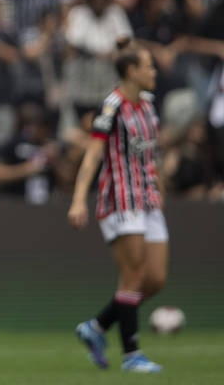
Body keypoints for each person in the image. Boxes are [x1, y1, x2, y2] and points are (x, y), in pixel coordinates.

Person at [67, 38, 167, 373]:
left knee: (154, 280)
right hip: (121, 200)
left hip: (148, 198)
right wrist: (80, 199)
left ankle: (96, 327)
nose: (154, 71)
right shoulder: (112, 107)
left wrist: (159, 186)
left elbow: (151, 153)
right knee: (133, 275)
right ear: (132, 71)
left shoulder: (149, 105)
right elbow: (94, 155)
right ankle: (132, 355)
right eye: (149, 66)